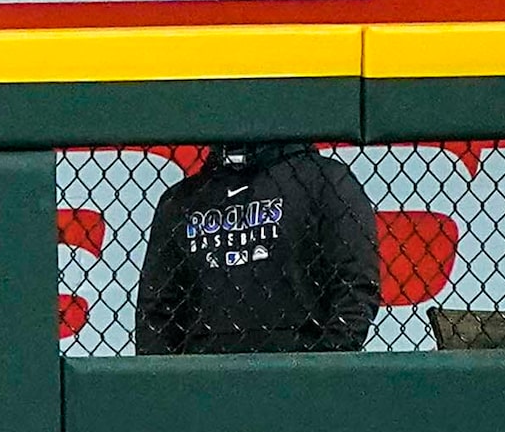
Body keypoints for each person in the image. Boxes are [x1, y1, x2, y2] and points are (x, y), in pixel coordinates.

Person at [133, 140, 380, 354]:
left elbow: (356, 283)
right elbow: (156, 310)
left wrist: (322, 372)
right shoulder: (180, 201)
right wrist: (169, 386)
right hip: (204, 384)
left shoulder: (324, 181)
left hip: (301, 376)